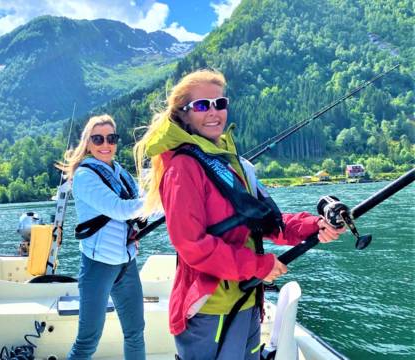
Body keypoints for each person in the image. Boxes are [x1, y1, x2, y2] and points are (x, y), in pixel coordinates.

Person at [133, 69, 344, 360]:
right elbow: (191, 245)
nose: (213, 112)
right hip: (210, 306)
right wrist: (258, 265)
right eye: (202, 105)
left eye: (220, 103)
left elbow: (267, 221)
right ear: (183, 114)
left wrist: (314, 225)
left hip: (247, 298)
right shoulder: (182, 168)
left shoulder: (235, 164)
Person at [59, 114, 146, 360]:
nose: (105, 144)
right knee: (87, 341)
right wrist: (159, 200)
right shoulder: (85, 177)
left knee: (135, 332)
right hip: (98, 266)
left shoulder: (121, 173)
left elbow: (138, 210)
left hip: (126, 264)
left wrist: (145, 216)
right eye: (98, 139)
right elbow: (120, 209)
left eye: (111, 138)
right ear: (88, 142)